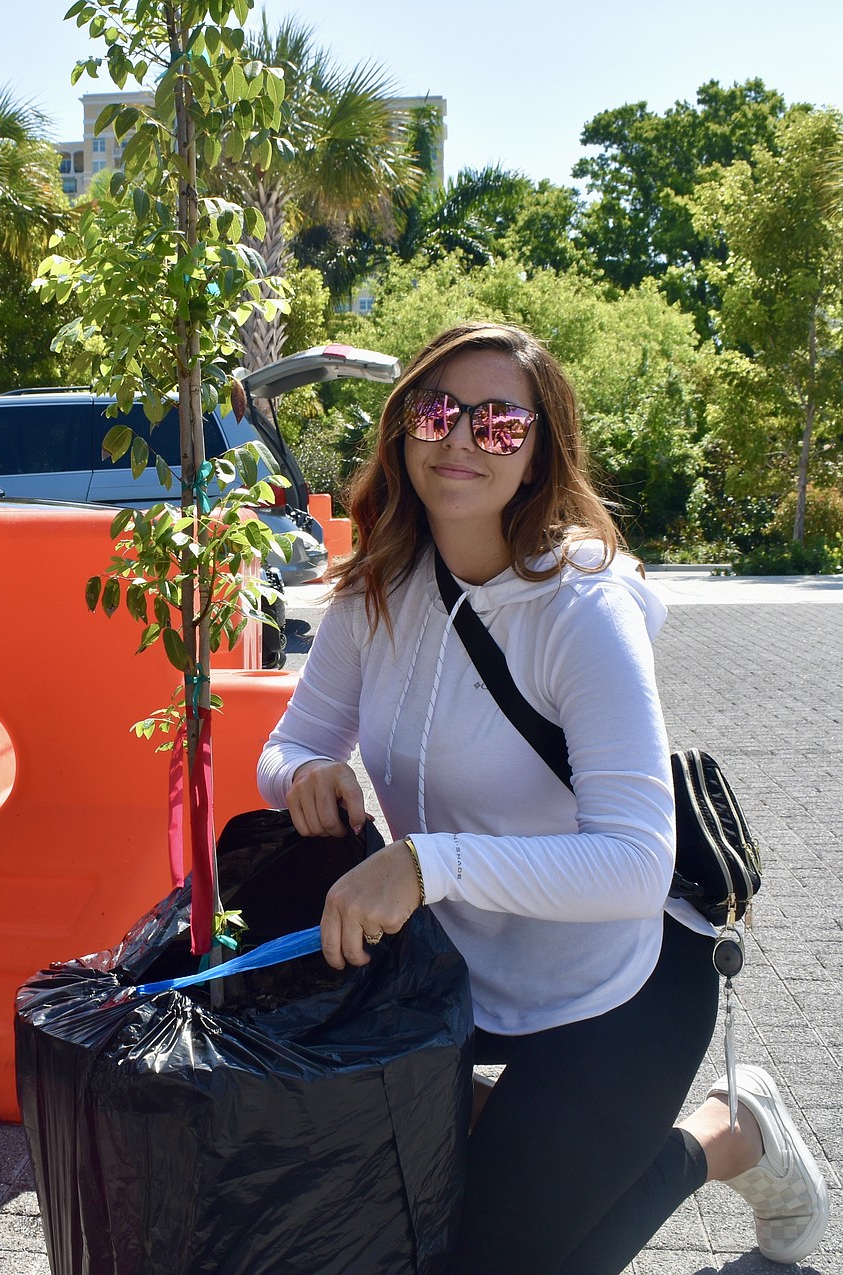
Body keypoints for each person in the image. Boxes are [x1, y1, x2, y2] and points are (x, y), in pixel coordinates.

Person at [257, 322, 828, 1274]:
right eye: (437, 412)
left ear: (539, 447)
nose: (460, 438)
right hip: (457, 973)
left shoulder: (584, 607)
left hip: (623, 977)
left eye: (498, 422)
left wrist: (425, 862)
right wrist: (304, 773)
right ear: (402, 433)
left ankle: (730, 1132)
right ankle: (533, 1126)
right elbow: (293, 743)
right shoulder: (377, 591)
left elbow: (637, 862)